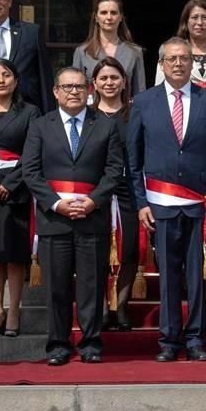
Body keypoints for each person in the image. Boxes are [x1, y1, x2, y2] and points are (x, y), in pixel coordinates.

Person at [129, 37, 206, 362]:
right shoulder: (143, 102)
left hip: (200, 204)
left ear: (193, 63)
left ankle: (196, 339)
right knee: (169, 275)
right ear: (161, 64)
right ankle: (169, 340)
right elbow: (134, 159)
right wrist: (141, 202)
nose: (178, 64)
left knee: (198, 274)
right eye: (171, 59)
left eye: (184, 58)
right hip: (160, 203)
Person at [22, 67, 124, 365]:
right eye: (67, 87)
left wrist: (93, 201)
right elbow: (31, 171)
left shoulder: (105, 126)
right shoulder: (40, 126)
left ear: (89, 90)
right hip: (55, 219)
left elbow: (113, 170)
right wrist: (56, 204)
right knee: (57, 286)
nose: (74, 92)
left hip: (93, 217)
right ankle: (58, 345)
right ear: (55, 91)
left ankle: (91, 342)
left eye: (79, 86)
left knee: (91, 285)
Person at [0, 59, 41, 338]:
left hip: (17, 189)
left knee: (14, 255)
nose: (1, 80)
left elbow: (32, 154)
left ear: (16, 81)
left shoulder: (30, 112)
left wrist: (11, 184)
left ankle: (14, 309)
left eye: (6, 75)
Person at [91, 56, 140, 331]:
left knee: (129, 249)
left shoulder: (135, 113)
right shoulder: (86, 115)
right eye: (104, 78)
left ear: (124, 82)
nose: (109, 83)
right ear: (94, 84)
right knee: (96, 251)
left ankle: (121, 304)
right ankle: (100, 307)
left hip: (129, 188)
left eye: (114, 78)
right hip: (96, 191)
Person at [73, 0, 146, 95]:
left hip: (125, 110)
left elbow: (140, 92)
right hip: (92, 110)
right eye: (103, 12)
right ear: (96, 18)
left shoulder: (134, 52)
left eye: (113, 13)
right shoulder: (82, 52)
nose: (109, 17)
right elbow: (76, 90)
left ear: (121, 17)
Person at [154, 0, 206, 89]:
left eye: (205, 18)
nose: (199, 22)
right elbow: (160, 87)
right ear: (186, 21)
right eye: (194, 17)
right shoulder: (171, 50)